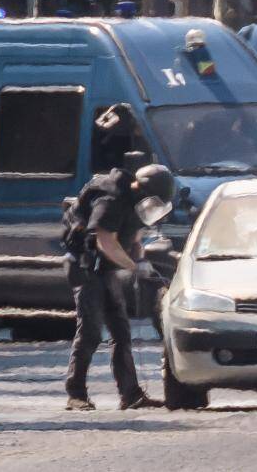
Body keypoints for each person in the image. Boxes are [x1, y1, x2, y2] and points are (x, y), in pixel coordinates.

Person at [63, 164, 176, 411]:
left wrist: (141, 258)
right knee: (91, 332)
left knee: (121, 332)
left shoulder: (136, 203)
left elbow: (134, 238)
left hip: (106, 269)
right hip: (85, 268)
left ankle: (131, 395)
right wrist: (134, 267)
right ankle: (76, 394)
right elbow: (105, 241)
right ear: (144, 190)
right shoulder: (111, 199)